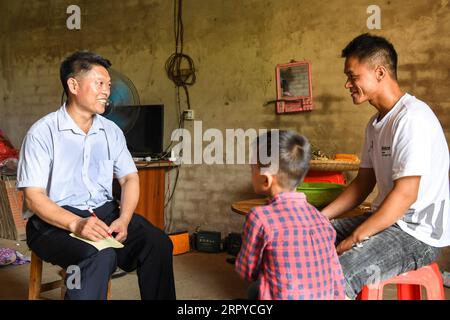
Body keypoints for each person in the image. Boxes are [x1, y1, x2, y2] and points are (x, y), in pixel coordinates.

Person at [17, 51, 176, 300]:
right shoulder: (42, 133)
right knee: (100, 254)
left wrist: (124, 219)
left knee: (157, 243)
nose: (107, 91)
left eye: (109, 85)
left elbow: (129, 178)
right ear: (73, 85)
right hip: (52, 221)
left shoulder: (111, 132)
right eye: (100, 83)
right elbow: (34, 198)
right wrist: (77, 224)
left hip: (103, 213)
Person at [321, 33, 450, 299]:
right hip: (385, 219)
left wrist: (354, 239)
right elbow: (362, 183)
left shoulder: (412, 118)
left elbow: (405, 194)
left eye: (352, 76)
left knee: (336, 276)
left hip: (416, 235)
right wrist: (320, 219)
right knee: (308, 237)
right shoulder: (375, 124)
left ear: (379, 72)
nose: (347, 84)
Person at [235, 130, 345, 300]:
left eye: (252, 169)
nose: (251, 173)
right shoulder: (321, 219)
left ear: (266, 180)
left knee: (254, 290)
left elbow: (246, 271)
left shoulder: (260, 217)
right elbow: (337, 277)